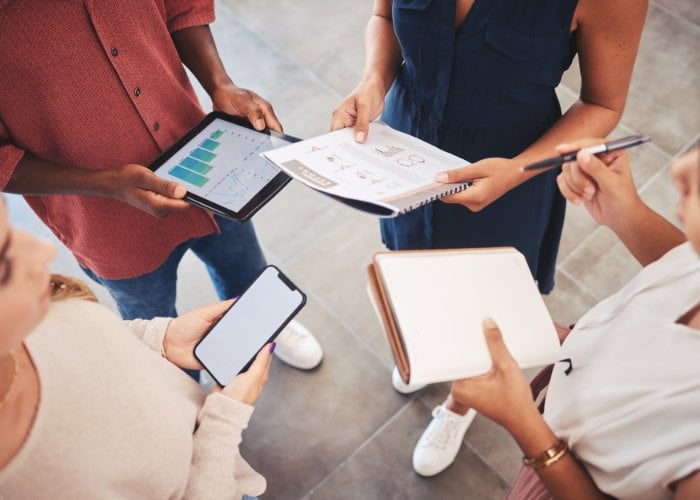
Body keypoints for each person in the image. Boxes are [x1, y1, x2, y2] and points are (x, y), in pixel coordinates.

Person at [331, 0, 647, 475]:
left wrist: (516, 172)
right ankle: (429, 346)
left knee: (484, 310)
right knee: (411, 265)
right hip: (407, 149)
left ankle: (461, 402)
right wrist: (375, 78)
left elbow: (603, 103)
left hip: (509, 172)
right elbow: (382, 18)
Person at [0, 1, 322, 373]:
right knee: (160, 337)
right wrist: (105, 184)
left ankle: (267, 330)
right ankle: (189, 402)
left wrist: (219, 82)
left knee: (247, 272)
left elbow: (182, 7)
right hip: (105, 223)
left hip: (208, 166)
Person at [450, 144, 700, 499]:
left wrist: (524, 423)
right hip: (573, 376)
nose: (682, 166)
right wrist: (625, 212)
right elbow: (684, 270)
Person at [0, 195, 274, 499]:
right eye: (2, 267)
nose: (45, 251)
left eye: (10, 228)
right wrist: (223, 421)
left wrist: (160, 338)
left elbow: (86, 346)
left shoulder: (36, 313)